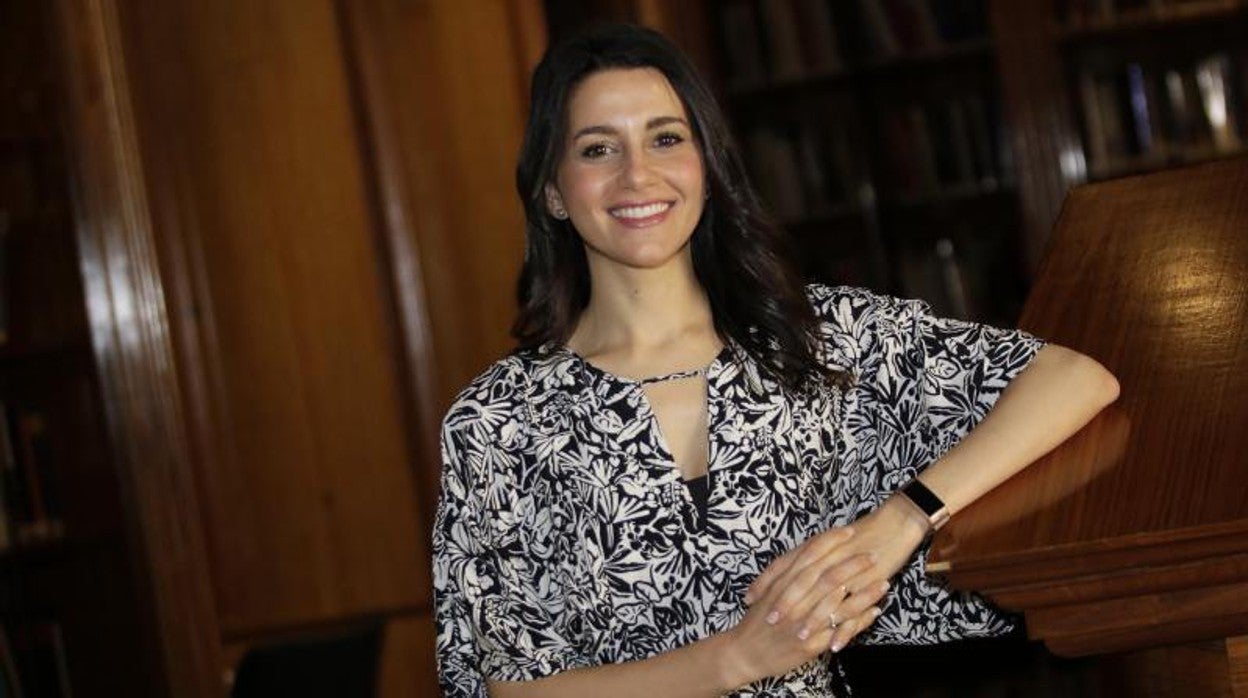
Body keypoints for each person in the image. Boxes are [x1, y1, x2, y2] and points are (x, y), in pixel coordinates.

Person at [432, 23, 1118, 698]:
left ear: (706, 166)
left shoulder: (811, 338)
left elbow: (1073, 378)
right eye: (597, 149)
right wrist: (737, 658)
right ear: (553, 191)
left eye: (666, 139)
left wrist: (901, 521)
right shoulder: (499, 422)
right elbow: (517, 691)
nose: (637, 174)